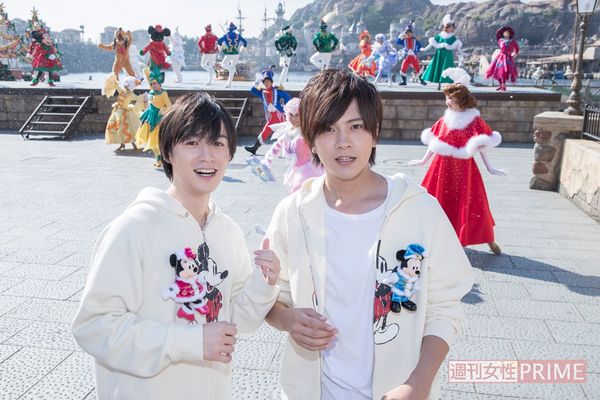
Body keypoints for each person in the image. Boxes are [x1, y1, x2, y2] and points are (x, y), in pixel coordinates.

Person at [264, 69, 474, 400]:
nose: (343, 142)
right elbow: (273, 298)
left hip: (398, 389)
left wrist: (418, 383)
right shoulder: (293, 213)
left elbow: (445, 308)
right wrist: (286, 318)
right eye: (328, 128)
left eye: (356, 126)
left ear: (375, 133)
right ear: (310, 137)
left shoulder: (418, 209)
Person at [72, 92, 281, 400]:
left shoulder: (228, 232)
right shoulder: (133, 228)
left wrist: (263, 284)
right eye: (192, 142)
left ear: (229, 154)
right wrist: (189, 342)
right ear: (168, 152)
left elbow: (234, 319)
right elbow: (95, 326)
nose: (206, 156)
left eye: (217, 143)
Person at [409, 78, 505, 255]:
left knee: (471, 203)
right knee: (436, 201)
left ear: (460, 100)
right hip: (441, 166)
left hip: (464, 169)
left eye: (450, 99)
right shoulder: (445, 119)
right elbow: (435, 142)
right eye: (446, 98)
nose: (447, 102)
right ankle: (432, 238)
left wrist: (490, 167)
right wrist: (423, 161)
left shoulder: (474, 121)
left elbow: (482, 145)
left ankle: (489, 241)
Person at [246, 97, 324, 192]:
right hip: (295, 172)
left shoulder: (307, 133)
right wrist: (266, 163)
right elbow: (275, 148)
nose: (294, 118)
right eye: (291, 114)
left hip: (308, 172)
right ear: (287, 114)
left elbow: (320, 147)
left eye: (297, 115)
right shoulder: (287, 130)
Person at [244, 66, 291, 155]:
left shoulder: (277, 91)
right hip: (271, 118)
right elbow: (252, 90)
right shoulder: (262, 92)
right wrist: (257, 82)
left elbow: (287, 97)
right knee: (265, 133)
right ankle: (255, 148)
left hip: (279, 117)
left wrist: (286, 107)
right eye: (265, 82)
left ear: (271, 82)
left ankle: (289, 151)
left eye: (268, 81)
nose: (266, 83)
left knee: (283, 134)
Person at [135, 70, 172, 168]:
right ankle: (158, 159)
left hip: (158, 118)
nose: (153, 85)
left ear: (160, 83)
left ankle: (163, 159)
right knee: (151, 141)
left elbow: (169, 105)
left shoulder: (163, 93)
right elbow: (149, 103)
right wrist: (145, 104)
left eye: (155, 83)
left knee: (156, 141)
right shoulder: (151, 92)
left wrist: (162, 111)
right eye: (152, 84)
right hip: (150, 117)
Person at [102, 74, 145, 151]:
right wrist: (113, 81)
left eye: (127, 85)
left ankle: (133, 143)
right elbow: (116, 86)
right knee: (120, 128)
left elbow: (139, 99)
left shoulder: (132, 95)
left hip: (126, 112)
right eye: (125, 85)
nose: (125, 86)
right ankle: (122, 144)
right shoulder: (122, 91)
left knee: (129, 128)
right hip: (118, 111)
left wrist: (144, 98)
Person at [421, 14, 464, 90]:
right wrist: (425, 49)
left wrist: (462, 54)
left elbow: (458, 47)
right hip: (440, 54)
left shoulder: (453, 38)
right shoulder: (440, 35)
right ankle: (439, 84)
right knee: (439, 68)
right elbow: (432, 43)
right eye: (451, 27)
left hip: (448, 55)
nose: (452, 29)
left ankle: (450, 85)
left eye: (453, 27)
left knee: (449, 68)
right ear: (446, 27)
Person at [485, 26, 519, 91]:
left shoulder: (512, 41)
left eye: (507, 33)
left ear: (509, 34)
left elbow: (517, 49)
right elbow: (501, 47)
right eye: (505, 33)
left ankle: (503, 85)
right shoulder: (500, 41)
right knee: (498, 71)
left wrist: (514, 55)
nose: (506, 34)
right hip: (501, 57)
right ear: (503, 34)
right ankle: (501, 85)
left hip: (508, 58)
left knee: (504, 71)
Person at [217, 22, 248, 88]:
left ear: (229, 29)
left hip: (229, 53)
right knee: (232, 68)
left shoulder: (226, 35)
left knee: (223, 64)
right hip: (236, 53)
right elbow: (245, 42)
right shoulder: (238, 36)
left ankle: (231, 69)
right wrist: (243, 47)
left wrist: (222, 46)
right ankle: (229, 84)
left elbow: (219, 41)